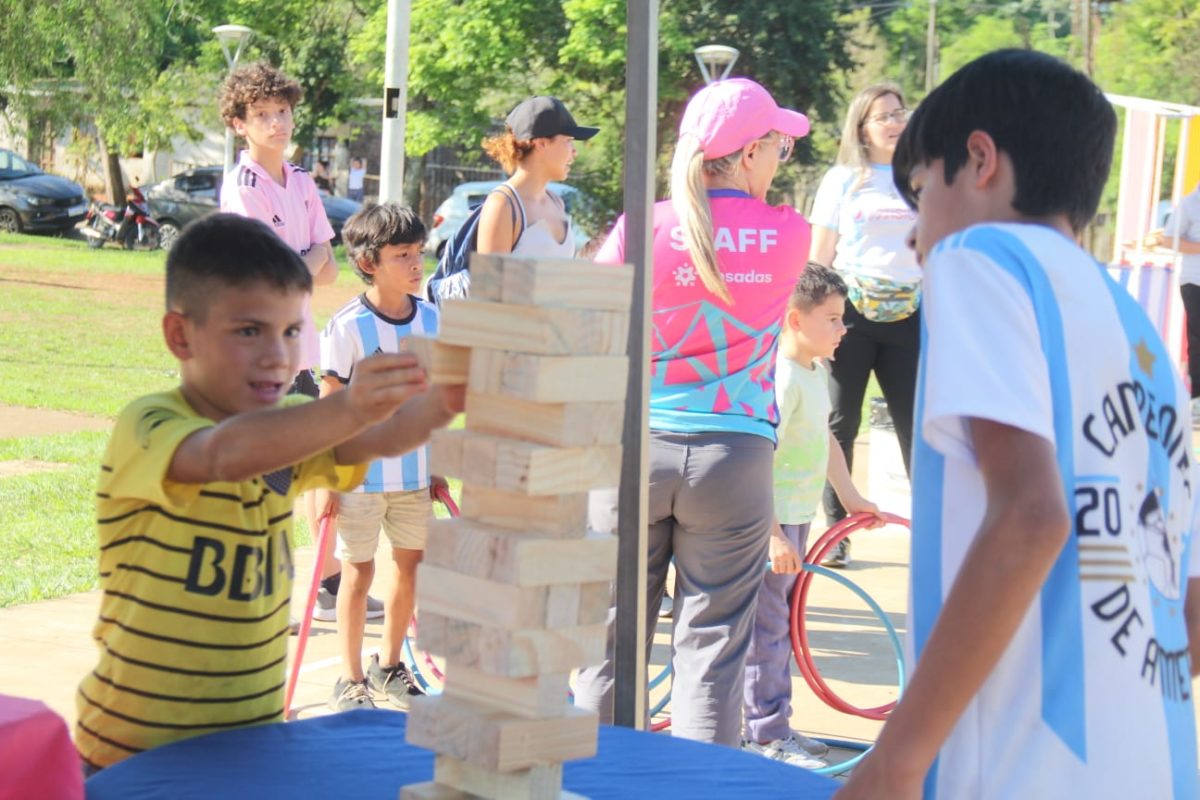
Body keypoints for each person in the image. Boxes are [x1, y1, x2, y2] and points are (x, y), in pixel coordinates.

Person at [837, 49, 1200, 799]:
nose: (916, 235)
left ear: (979, 161)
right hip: (1155, 764)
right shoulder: (1142, 334)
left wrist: (895, 761)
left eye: (919, 191)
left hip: (1019, 767)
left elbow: (1033, 516)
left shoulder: (982, 255)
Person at [74, 213, 462, 772]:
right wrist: (349, 406)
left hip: (249, 739)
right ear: (180, 335)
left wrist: (439, 401)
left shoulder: (289, 423)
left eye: (290, 331)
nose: (278, 354)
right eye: (249, 331)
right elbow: (220, 455)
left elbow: (378, 440)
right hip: (137, 748)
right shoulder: (151, 424)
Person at [572, 77, 812, 747]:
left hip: (634, 448)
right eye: (777, 149)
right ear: (748, 156)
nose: (778, 162)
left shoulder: (641, 227)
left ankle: (592, 787)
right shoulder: (790, 233)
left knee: (609, 638)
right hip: (733, 455)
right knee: (711, 652)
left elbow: (588, 311)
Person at [218, 61, 365, 624]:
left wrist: (299, 262)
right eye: (262, 115)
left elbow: (326, 267)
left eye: (282, 112)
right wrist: (302, 263)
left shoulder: (301, 179)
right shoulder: (242, 186)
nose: (277, 123)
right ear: (240, 124)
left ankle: (327, 586)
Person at [742, 264, 882, 769]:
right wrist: (773, 535)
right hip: (770, 523)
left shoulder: (815, 373)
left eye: (843, 319)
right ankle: (763, 735)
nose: (844, 330)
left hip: (795, 517)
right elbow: (757, 454)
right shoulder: (781, 376)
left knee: (781, 624)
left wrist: (851, 497)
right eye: (833, 319)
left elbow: (824, 441)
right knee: (768, 629)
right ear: (795, 320)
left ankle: (770, 725)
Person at [318, 203, 443, 711]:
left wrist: (437, 464)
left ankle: (391, 666)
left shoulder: (433, 319)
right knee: (358, 573)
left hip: (414, 476)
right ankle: (350, 679)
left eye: (418, 253)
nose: (417, 264)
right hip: (361, 478)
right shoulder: (347, 326)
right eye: (402, 255)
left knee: (411, 567)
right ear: (370, 262)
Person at [809, 83, 920, 568]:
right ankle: (838, 531)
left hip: (912, 311)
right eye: (884, 116)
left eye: (900, 113)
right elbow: (820, 256)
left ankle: (933, 532)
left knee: (917, 424)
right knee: (840, 420)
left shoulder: (923, 176)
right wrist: (816, 321)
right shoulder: (841, 180)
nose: (895, 122)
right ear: (861, 127)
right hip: (850, 311)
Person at [477, 95, 598, 259]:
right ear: (541, 144)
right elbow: (489, 283)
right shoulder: (502, 204)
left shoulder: (556, 202)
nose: (574, 152)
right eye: (569, 141)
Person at [1143, 181, 1200, 414]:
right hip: (1195, 280)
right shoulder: (1190, 203)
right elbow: (1169, 239)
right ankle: (1197, 397)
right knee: (1197, 338)